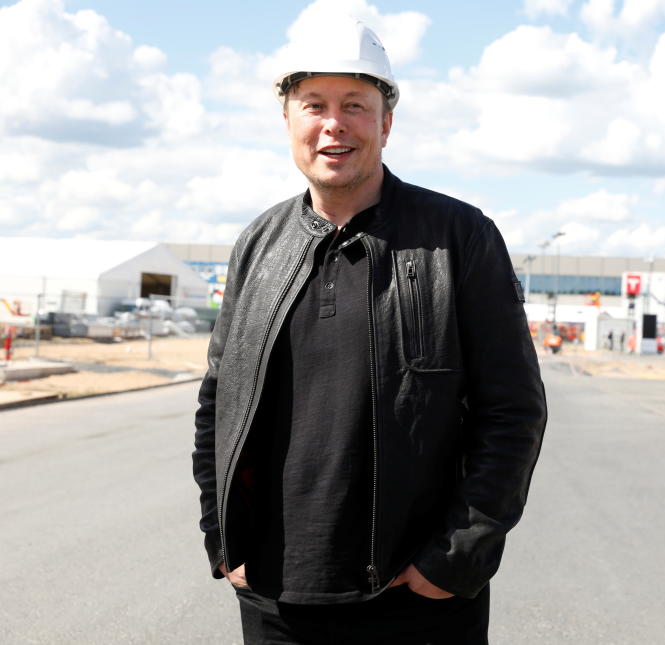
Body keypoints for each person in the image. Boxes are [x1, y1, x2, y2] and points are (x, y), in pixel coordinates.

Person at [191, 15, 547, 645]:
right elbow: (217, 405)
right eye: (315, 104)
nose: (335, 123)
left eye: (356, 104)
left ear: (386, 122)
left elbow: (513, 411)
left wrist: (455, 556)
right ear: (288, 120)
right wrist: (224, 543)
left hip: (416, 599)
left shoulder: (458, 238)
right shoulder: (258, 244)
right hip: (274, 598)